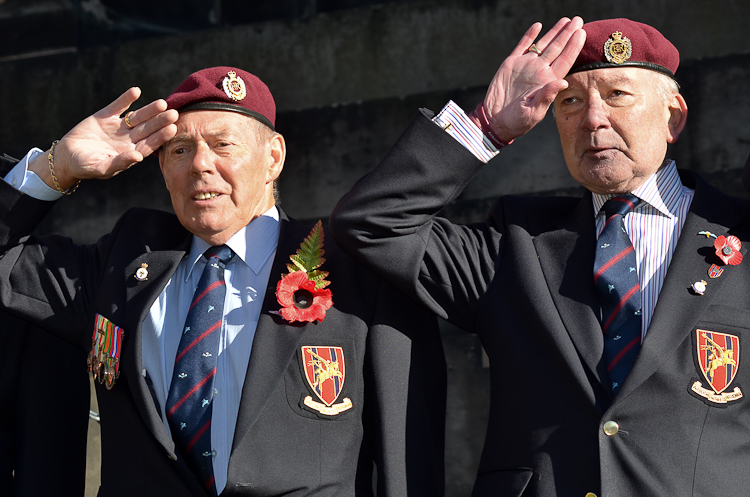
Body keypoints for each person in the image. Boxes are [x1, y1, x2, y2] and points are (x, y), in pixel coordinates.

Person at [330, 17, 750, 496]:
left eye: (617, 95)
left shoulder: (742, 235)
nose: (592, 118)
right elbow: (370, 223)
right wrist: (484, 127)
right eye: (570, 102)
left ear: (672, 117)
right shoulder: (518, 243)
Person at [0, 67, 445, 496]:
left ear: (273, 158)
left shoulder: (353, 269)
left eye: (223, 145)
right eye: (179, 150)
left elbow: (406, 449)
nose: (200, 165)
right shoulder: (127, 262)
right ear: (162, 170)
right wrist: (56, 167)